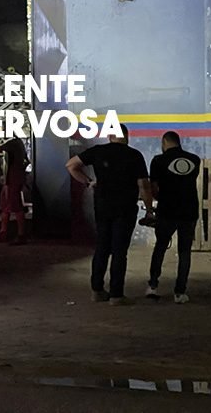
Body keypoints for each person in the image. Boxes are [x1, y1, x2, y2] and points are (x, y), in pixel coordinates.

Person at [65, 124, 153, 305]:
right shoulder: (134, 155)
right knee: (119, 251)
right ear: (127, 136)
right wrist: (149, 208)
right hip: (125, 208)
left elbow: (71, 165)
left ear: (110, 136)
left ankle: (97, 291)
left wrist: (89, 182)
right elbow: (143, 185)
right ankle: (116, 295)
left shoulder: (98, 151)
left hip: (102, 207)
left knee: (102, 248)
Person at [145, 131, 201, 304]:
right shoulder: (195, 160)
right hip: (189, 211)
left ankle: (153, 286)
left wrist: (156, 202)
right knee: (184, 252)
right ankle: (180, 292)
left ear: (164, 143)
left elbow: (153, 187)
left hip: (167, 210)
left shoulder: (158, 161)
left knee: (160, 247)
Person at [0, 137, 29, 245]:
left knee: (16, 205)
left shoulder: (12, 143)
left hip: (13, 180)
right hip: (10, 180)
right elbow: (26, 161)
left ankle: (20, 235)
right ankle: (4, 232)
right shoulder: (17, 144)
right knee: (6, 205)